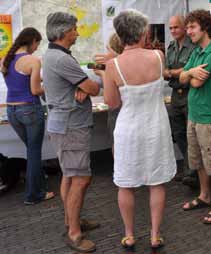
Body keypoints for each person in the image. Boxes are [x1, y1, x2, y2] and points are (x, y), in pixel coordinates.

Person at [101, 9, 176, 251]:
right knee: (157, 183)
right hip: (156, 126)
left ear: (120, 35)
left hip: (128, 129)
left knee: (126, 184)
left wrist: (105, 75)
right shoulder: (158, 56)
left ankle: (130, 235)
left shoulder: (112, 66)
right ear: (143, 32)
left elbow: (112, 103)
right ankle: (155, 235)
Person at [43, 12, 101, 253]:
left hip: (64, 123)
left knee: (69, 175)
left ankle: (72, 222)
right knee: (80, 178)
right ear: (63, 32)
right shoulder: (62, 59)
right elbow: (94, 87)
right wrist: (86, 86)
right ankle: (75, 234)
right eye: (75, 29)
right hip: (71, 127)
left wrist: (83, 86)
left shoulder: (54, 55)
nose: (77, 33)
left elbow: (85, 86)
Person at [179, 9, 211, 224]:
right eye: (187, 27)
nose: (187, 31)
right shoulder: (197, 52)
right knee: (197, 161)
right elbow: (182, 77)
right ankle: (204, 196)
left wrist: (189, 75)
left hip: (210, 118)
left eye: (192, 27)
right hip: (194, 116)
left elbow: (196, 83)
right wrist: (190, 72)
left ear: (205, 27)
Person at [1, 27, 55, 205]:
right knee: (33, 152)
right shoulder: (32, 60)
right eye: (37, 44)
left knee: (31, 151)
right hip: (30, 109)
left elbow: (19, 82)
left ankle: (38, 186)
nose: (37, 48)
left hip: (12, 111)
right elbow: (35, 90)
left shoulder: (5, 60)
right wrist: (50, 88)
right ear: (31, 41)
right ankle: (34, 195)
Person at [163, 15, 196, 184]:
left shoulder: (193, 46)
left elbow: (189, 69)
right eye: (171, 28)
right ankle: (189, 168)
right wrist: (176, 72)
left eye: (176, 27)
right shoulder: (171, 47)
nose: (173, 31)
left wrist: (173, 72)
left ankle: (192, 172)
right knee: (179, 133)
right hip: (176, 94)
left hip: (191, 93)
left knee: (191, 134)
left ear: (184, 27)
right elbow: (165, 71)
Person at [94, 33, 124, 151]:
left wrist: (103, 73)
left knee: (117, 147)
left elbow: (110, 98)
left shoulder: (116, 67)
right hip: (118, 112)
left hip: (118, 112)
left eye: (108, 50)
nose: (106, 54)